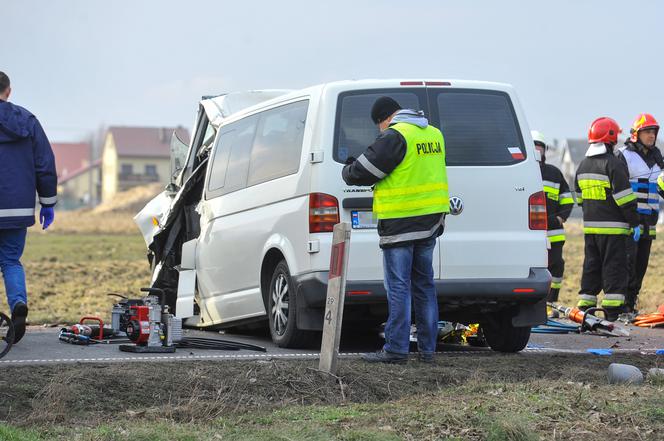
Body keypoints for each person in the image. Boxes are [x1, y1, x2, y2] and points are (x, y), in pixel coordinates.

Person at [342, 96, 449, 364]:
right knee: (424, 286)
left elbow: (364, 171)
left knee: (399, 288)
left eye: (379, 124)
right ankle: (427, 351)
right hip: (430, 223)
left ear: (385, 118)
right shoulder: (434, 133)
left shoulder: (395, 135)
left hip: (400, 222)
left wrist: (348, 169)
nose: (380, 130)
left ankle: (396, 349)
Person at [0, 71, 57, 343]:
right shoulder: (28, 121)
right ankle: (18, 305)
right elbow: (45, 164)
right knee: (10, 261)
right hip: (17, 209)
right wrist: (47, 203)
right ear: (8, 91)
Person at [574, 117, 639, 321]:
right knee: (614, 268)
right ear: (610, 138)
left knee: (591, 267)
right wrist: (634, 222)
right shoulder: (613, 164)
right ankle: (612, 312)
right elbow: (625, 199)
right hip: (614, 230)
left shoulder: (582, 165)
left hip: (590, 229)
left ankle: (585, 307)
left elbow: (579, 198)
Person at [616, 114, 663, 315]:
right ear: (636, 134)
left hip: (649, 221)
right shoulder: (623, 155)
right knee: (627, 262)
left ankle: (632, 302)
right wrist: (628, 218)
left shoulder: (658, 157)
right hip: (630, 221)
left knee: (641, 264)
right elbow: (618, 188)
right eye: (647, 132)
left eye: (654, 132)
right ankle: (621, 305)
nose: (651, 136)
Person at [532, 130, 574, 307]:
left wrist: (560, 218)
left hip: (554, 232)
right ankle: (535, 303)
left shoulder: (554, 173)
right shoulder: (522, 172)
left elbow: (567, 199)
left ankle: (551, 302)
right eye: (533, 146)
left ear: (544, 150)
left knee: (556, 267)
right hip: (532, 233)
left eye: (539, 147)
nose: (536, 150)